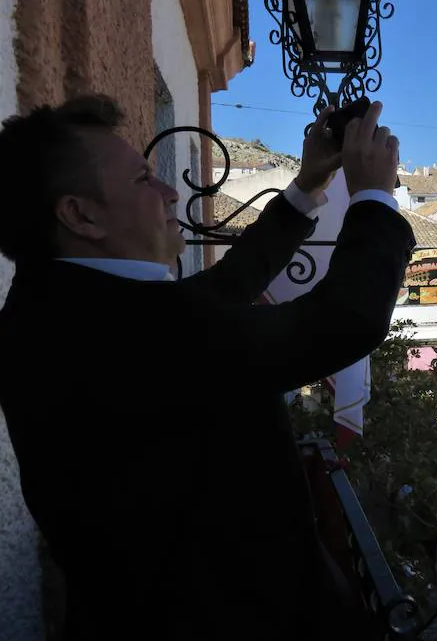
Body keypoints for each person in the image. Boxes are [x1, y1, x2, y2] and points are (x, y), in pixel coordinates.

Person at [0, 96, 413, 639]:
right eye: (144, 180)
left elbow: (218, 293)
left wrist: (308, 185)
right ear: (80, 214)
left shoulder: (55, 306)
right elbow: (344, 321)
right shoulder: (135, 330)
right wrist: (374, 196)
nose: (170, 191)